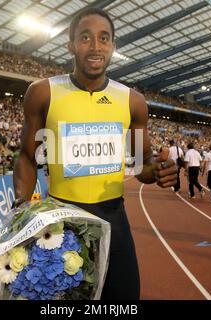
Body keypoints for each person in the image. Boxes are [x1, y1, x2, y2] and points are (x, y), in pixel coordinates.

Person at [12, 8, 178, 300]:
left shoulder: (132, 101)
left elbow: (143, 166)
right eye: (85, 37)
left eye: (104, 38)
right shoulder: (43, 93)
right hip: (63, 221)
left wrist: (160, 172)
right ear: (71, 44)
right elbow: (27, 157)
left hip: (114, 219)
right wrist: (22, 210)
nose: (95, 46)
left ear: (113, 46)